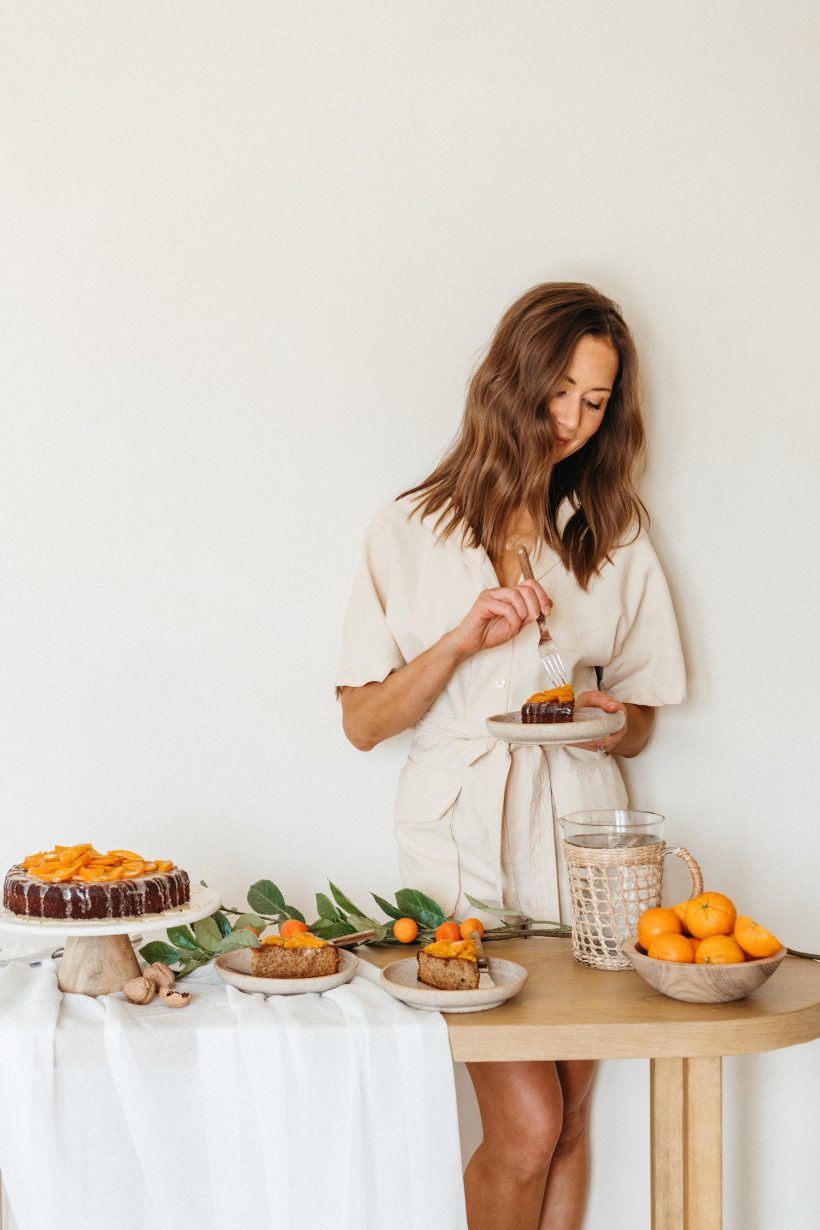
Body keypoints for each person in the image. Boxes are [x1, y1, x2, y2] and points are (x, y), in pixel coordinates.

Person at [336, 282, 685, 1230]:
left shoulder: (613, 536)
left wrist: (614, 719)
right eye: (559, 390)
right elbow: (363, 723)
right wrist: (458, 642)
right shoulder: (406, 532)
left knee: (570, 1124)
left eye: (597, 401)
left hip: (583, 851)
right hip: (457, 854)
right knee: (527, 1126)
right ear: (511, 379)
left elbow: (644, 715)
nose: (572, 421)